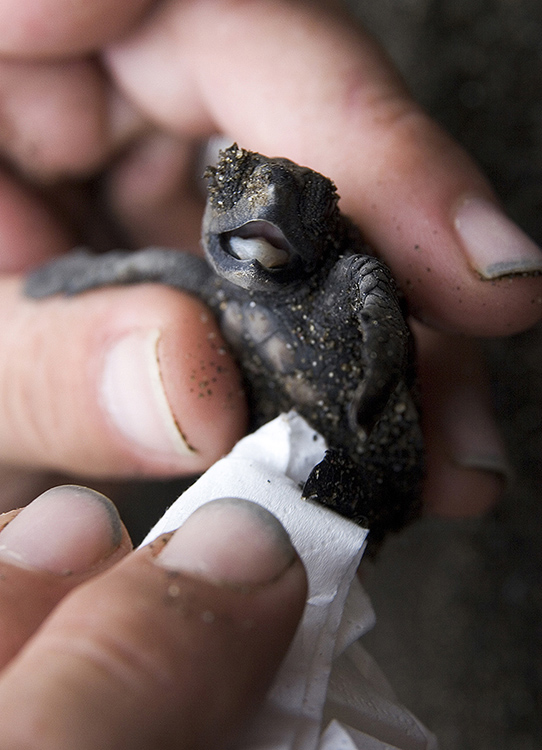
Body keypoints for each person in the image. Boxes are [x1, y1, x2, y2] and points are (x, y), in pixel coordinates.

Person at [0, 0, 540, 746]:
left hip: (360, 460)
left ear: (323, 231)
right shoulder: (204, 280)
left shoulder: (348, 277)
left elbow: (384, 333)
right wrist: (62, 278)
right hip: (277, 448)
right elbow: (135, 265)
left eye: (299, 210)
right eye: (241, 200)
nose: (269, 217)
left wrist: (376, 391)